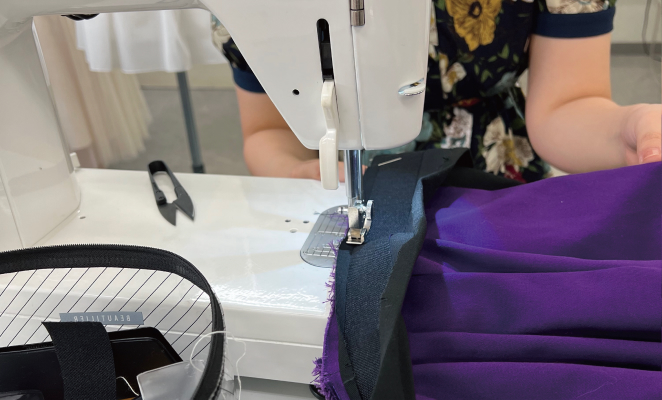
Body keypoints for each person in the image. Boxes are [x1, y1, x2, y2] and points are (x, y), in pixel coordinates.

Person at [212, 0, 661, 183]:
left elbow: (568, 105)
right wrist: (295, 172)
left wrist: (631, 128)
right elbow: (269, 131)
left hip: (497, 171)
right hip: (341, 177)